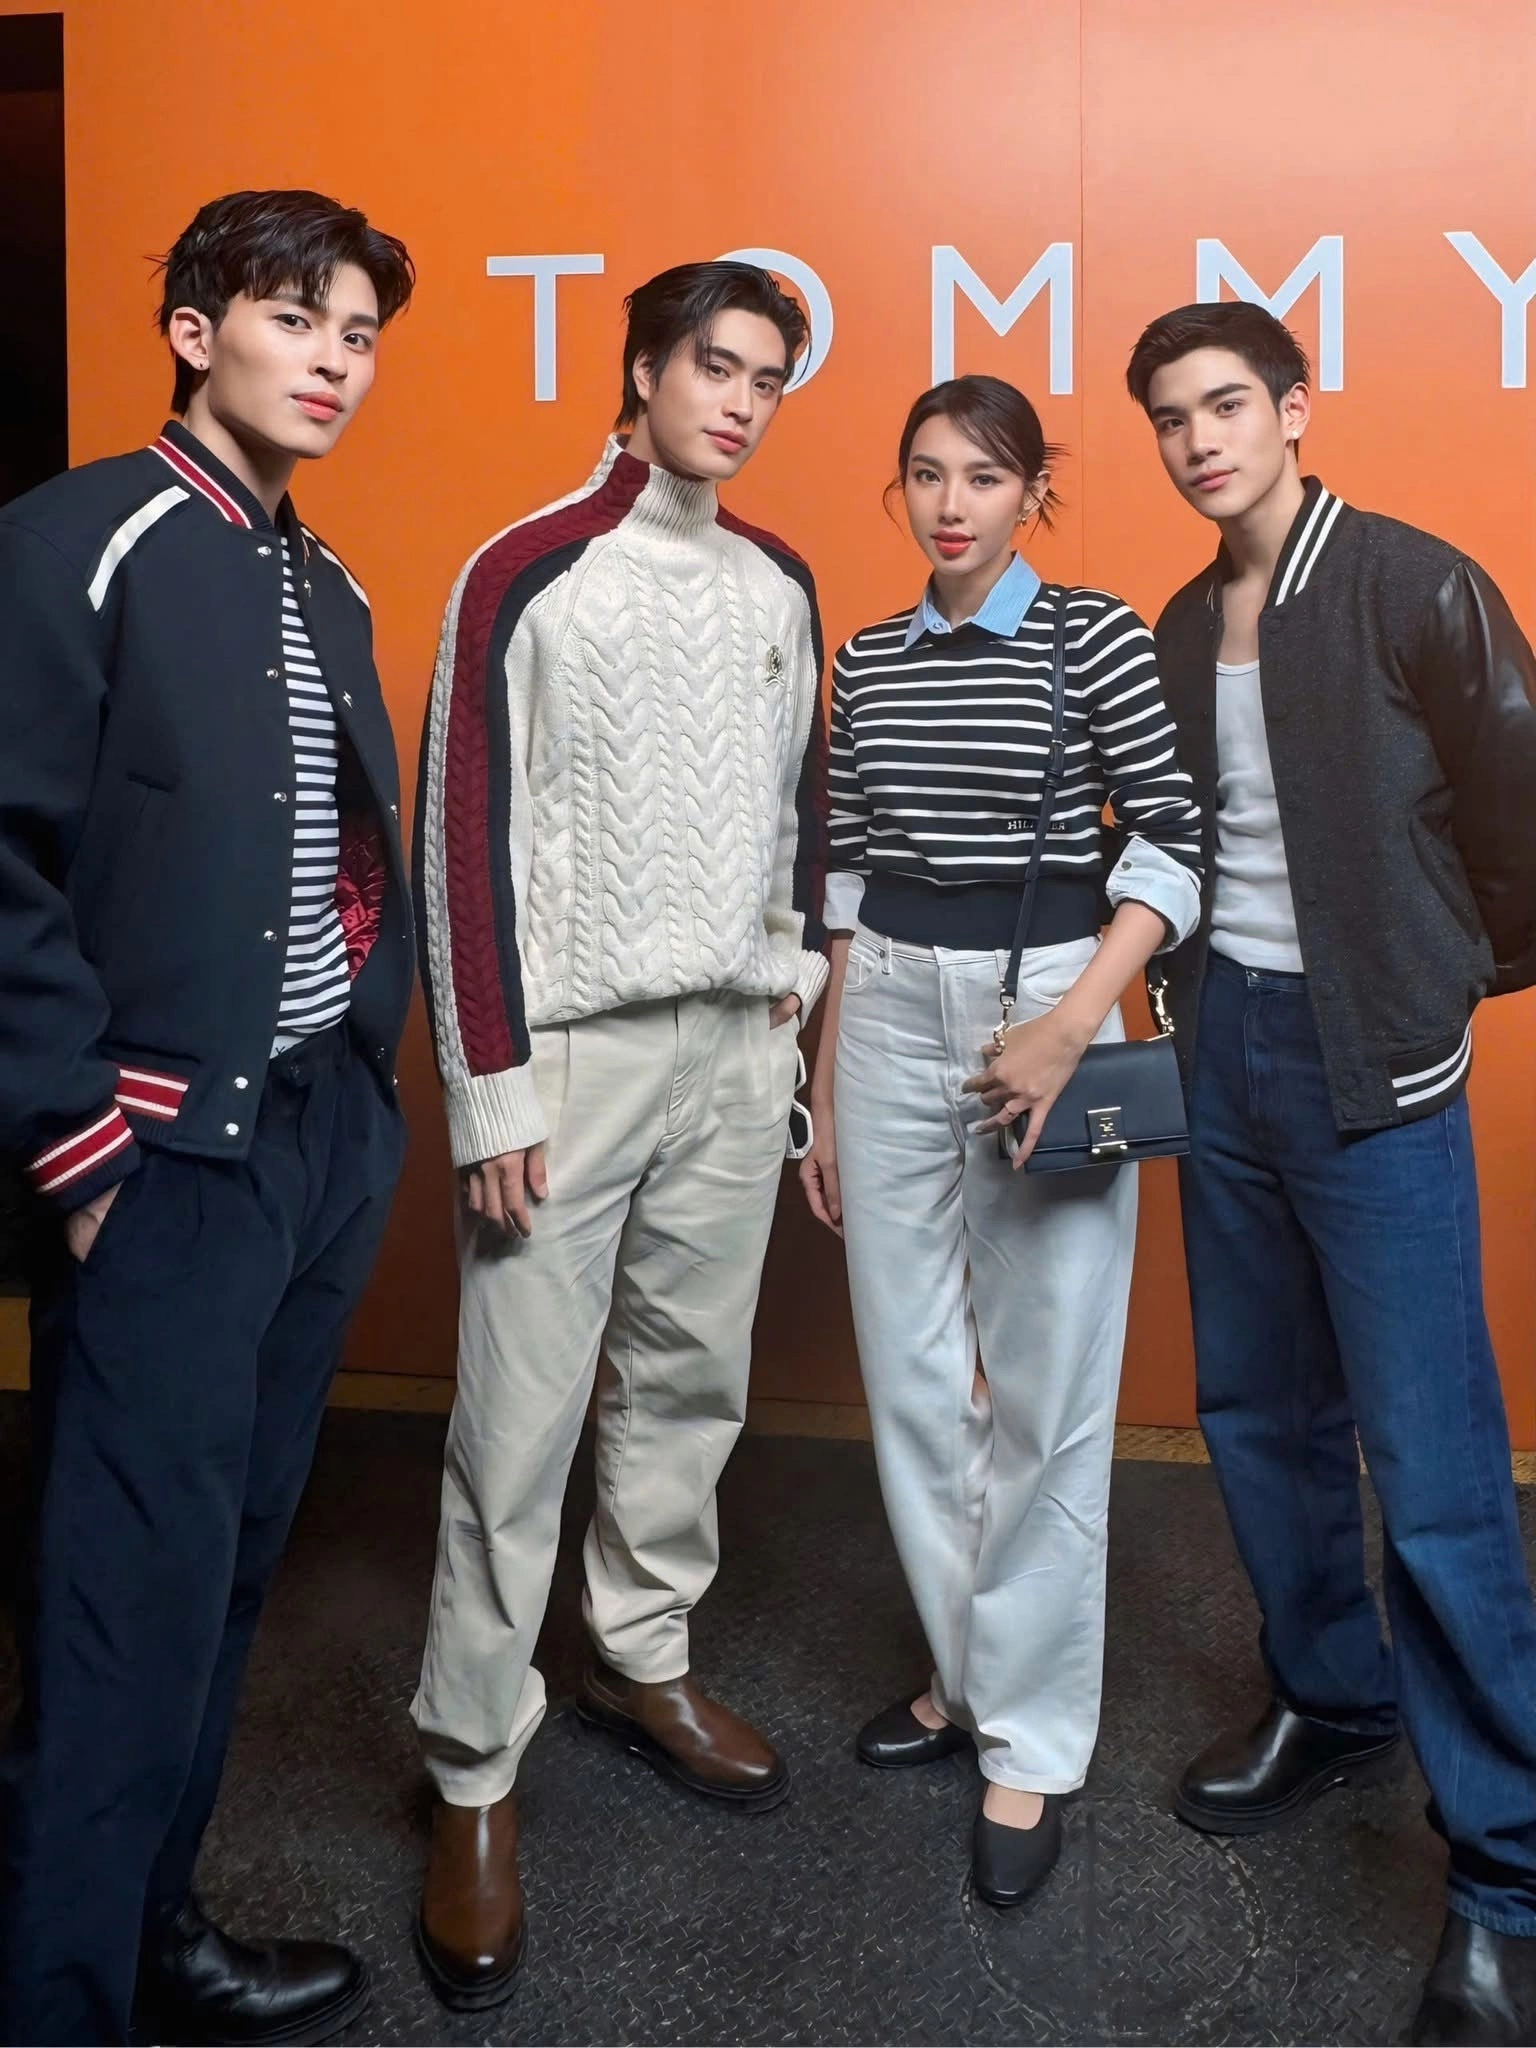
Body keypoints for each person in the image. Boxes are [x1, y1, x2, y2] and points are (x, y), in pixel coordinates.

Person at [0, 190, 416, 2046]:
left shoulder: (328, 581)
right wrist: (76, 1139)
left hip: (315, 1143)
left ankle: (156, 1936)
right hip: (159, 1164)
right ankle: (62, 2001)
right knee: (121, 1611)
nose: (334, 360)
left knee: (231, 1572)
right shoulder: (74, 540)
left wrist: (371, 1089)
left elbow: (343, 862)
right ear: (194, 331)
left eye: (359, 334)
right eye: (296, 318)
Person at [410, 259, 828, 2010]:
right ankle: (471, 1766)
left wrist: (794, 1000)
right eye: (713, 367)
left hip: (734, 1044)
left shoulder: (780, 580)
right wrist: (489, 1082)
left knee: (689, 1382)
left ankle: (638, 1654)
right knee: (516, 1423)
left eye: (766, 381)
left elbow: (801, 811)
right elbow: (460, 833)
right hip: (570, 1057)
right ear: (645, 370)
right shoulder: (525, 569)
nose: (738, 403)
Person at [1126, 298, 1536, 2047]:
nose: (1200, 440)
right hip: (1224, 1042)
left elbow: (1521, 820)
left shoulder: (1414, 583)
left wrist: (1426, 988)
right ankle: (1333, 1694)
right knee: (1258, 1410)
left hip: (1373, 1062)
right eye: (1170, 418)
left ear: (1297, 407)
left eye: (1227, 404)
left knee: (1433, 1473)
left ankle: (1508, 1873)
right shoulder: (1178, 619)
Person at [796, 374, 1201, 1907]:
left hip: (1048, 1001)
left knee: (1048, 1392)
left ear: (1036, 491)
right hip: (890, 1011)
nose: (950, 503)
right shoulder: (869, 658)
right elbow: (847, 883)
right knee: (912, 1380)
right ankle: (966, 1677)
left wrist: (1073, 1024)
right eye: (925, 474)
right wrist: (829, 1085)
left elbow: (1172, 841)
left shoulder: (1091, 636)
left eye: (982, 475)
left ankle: (1030, 1737)